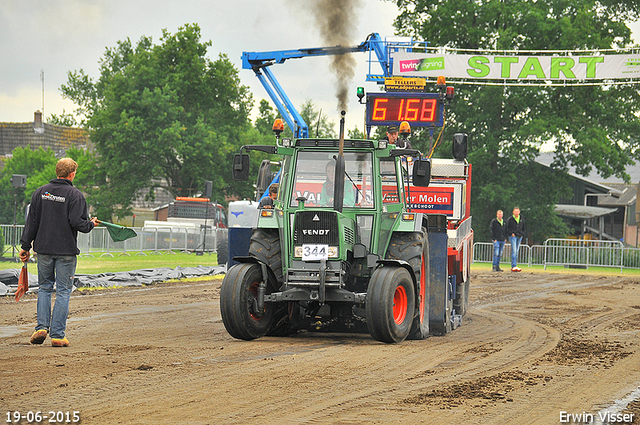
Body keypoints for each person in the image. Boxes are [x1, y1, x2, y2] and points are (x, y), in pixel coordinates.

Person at [20, 158, 98, 347]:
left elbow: (32, 222)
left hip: (44, 250)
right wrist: (91, 224)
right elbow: (77, 223)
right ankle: (57, 335)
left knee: (45, 288)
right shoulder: (75, 195)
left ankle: (41, 327)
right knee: (63, 291)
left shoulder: (40, 193)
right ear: (72, 174)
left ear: (57, 172)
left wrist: (25, 246)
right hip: (66, 252)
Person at [506, 207, 526, 272]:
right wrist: (511, 233)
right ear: (513, 212)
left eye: (517, 211)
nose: (516, 213)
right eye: (515, 211)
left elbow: (524, 227)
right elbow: (507, 228)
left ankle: (515, 264)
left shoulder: (521, 219)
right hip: (513, 236)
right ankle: (513, 265)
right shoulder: (510, 219)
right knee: (514, 251)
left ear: (519, 212)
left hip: (519, 236)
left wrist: (522, 234)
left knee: (516, 251)